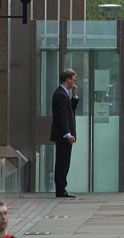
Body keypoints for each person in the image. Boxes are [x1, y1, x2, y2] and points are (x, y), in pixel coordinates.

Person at [50, 67, 80, 198]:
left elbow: (70, 111)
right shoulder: (60, 95)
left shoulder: (63, 94)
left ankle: (62, 188)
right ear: (67, 79)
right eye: (73, 79)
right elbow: (62, 117)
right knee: (62, 162)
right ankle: (61, 188)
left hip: (64, 135)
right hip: (63, 136)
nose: (74, 82)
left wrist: (74, 96)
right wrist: (68, 134)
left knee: (64, 161)